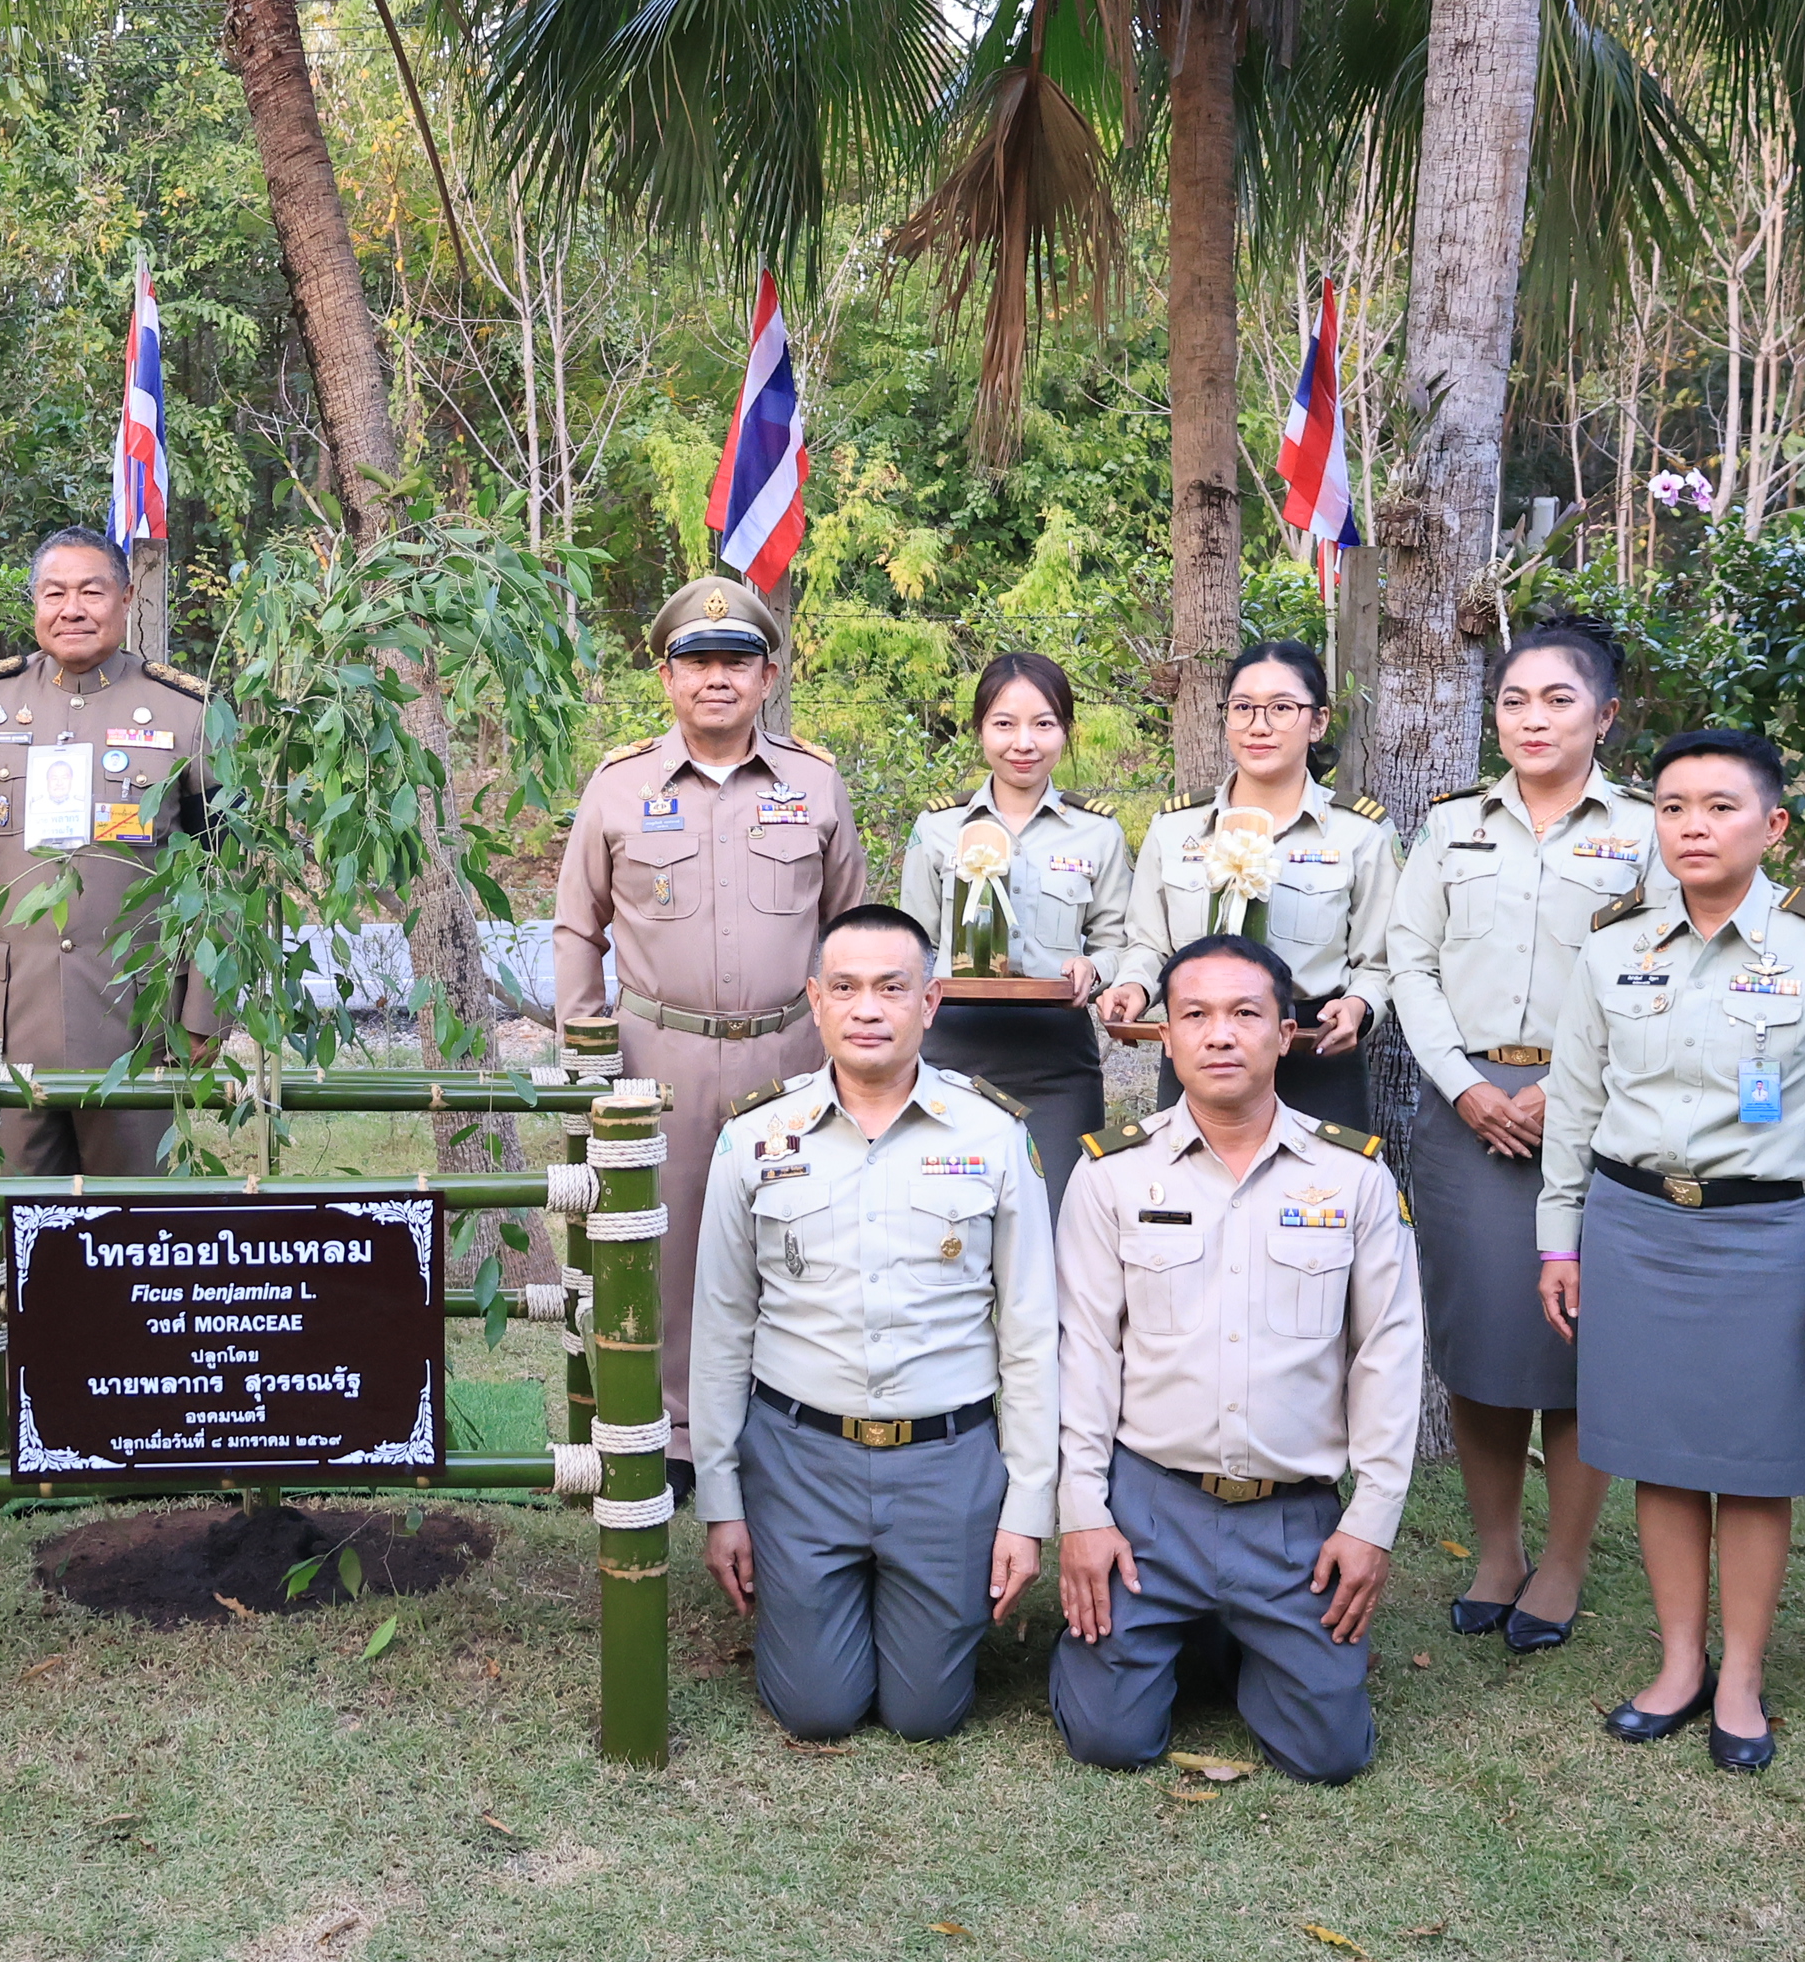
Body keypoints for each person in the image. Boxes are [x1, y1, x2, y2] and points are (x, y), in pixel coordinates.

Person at [1538, 729, 1805, 1774]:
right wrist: (1555, 1239)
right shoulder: (1614, 941)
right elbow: (1573, 1105)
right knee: (1658, 1453)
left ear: (1774, 825)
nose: (1692, 828)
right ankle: (1679, 1660)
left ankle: (1741, 1672)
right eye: (1672, 808)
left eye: (1719, 808)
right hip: (1633, 1224)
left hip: (1764, 1231)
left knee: (1749, 1464)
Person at [1050, 931, 1420, 1783]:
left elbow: (1388, 1355)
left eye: (1246, 1014)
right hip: (1148, 1507)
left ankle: (1234, 1635)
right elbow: (1085, 1355)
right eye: (1197, 1015)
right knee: (1110, 1741)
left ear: (1285, 1033)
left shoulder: (1355, 1178)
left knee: (1329, 1756)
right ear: (1166, 1037)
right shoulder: (1111, 1176)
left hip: (1291, 1519)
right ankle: (1181, 1635)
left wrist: (1371, 1522)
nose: (1221, 1034)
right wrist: (1085, 1512)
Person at [691, 903, 1055, 1741]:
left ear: (930, 1003)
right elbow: (721, 1328)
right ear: (814, 1001)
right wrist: (722, 1501)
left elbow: (1031, 1334)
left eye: (892, 988)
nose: (867, 1009)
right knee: (817, 1709)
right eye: (846, 988)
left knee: (926, 1713)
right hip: (799, 1463)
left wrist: (1026, 1511)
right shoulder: (754, 1137)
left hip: (945, 1461)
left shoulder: (994, 1136)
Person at [555, 578, 867, 1490]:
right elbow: (580, 926)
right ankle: (682, 1436)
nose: (716, 679)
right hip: (664, 1058)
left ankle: (790, 1425)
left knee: (800, 1231)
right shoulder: (619, 787)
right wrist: (589, 1053)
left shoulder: (814, 782)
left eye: (736, 662)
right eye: (697, 663)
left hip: (793, 1054)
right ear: (667, 677)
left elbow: (850, 924)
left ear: (768, 676)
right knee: (677, 1242)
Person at [1381, 620, 1654, 1654]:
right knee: (1484, 1341)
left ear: (1606, 715)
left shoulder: (1644, 831)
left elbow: (1662, 969)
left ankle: (1568, 1561)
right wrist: (1461, 1084)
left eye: (1558, 700)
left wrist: (1570, 1088)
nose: (1533, 719)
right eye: (1514, 701)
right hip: (1468, 1111)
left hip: (1599, 1105)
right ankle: (1498, 1547)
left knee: (1576, 1340)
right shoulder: (1453, 828)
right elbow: (1411, 962)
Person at [0, 530, 214, 1176]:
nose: (71, 608)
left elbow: (220, 869)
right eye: (54, 593)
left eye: (90, 591)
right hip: (6, 1022)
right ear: (35, 605)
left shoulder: (184, 709)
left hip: (134, 1019)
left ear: (127, 598)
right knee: (16, 1225)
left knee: (131, 1224)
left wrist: (203, 1012)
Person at [1104, 641, 1397, 1132]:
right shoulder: (1177, 828)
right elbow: (1149, 943)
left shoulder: (1359, 833)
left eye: (1282, 708)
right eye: (1242, 709)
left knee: (1319, 1206)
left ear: (1318, 721)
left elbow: (1383, 960)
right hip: (1202, 1055)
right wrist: (1133, 985)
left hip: (1313, 1051)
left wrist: (1359, 1007)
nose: (1259, 726)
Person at [895, 650, 1128, 1215]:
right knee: (947, 1230)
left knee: (1054, 1230)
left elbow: (1120, 940)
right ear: (979, 730)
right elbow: (913, 945)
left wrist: (1095, 969)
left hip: (1055, 1060)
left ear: (1065, 732)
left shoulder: (1098, 833)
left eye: (1043, 724)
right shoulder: (938, 827)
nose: (1023, 742)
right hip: (950, 1052)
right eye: (1004, 724)